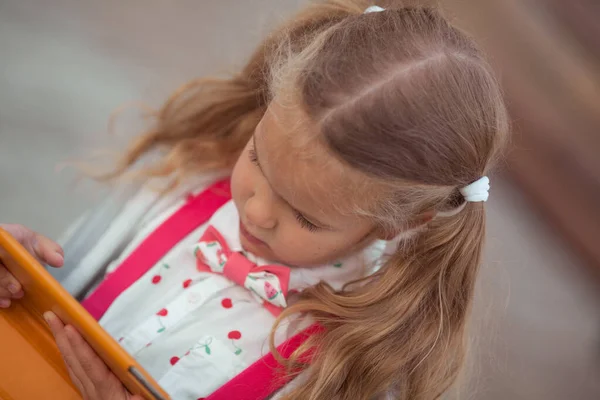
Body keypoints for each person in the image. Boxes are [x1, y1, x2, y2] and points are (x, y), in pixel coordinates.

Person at [0, 1, 509, 399]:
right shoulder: (182, 185)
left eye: (305, 218)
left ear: (395, 224)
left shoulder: (355, 366)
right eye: (258, 160)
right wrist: (20, 280)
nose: (256, 211)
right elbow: (61, 291)